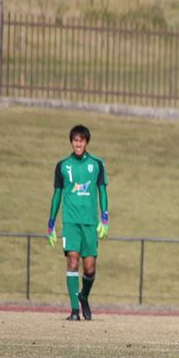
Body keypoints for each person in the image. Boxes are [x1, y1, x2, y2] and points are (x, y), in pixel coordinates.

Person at [47, 125, 109, 321]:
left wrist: (104, 217)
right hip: (71, 222)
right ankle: (74, 311)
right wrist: (51, 223)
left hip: (90, 223)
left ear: (86, 142)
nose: (78, 143)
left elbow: (102, 191)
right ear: (71, 142)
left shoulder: (97, 164)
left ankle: (83, 296)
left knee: (90, 268)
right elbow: (57, 195)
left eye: (81, 140)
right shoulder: (62, 166)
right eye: (75, 140)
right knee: (72, 262)